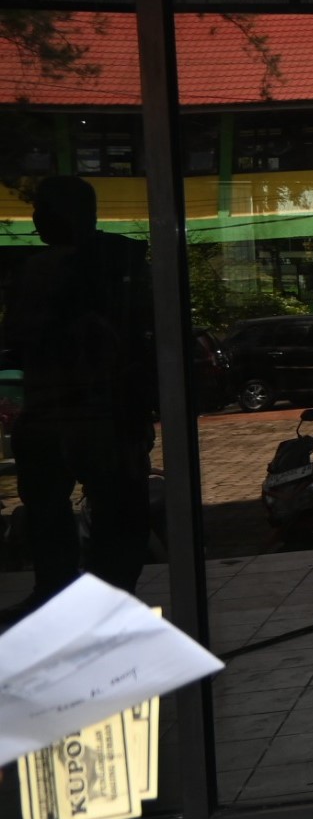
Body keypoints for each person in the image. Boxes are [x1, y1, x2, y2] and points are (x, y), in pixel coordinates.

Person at [5, 173, 155, 610]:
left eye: (41, 211)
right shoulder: (124, 265)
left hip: (65, 413)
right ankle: (104, 597)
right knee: (114, 516)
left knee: (53, 514)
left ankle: (61, 592)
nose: (34, 220)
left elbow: (18, 335)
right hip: (98, 414)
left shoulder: (38, 272)